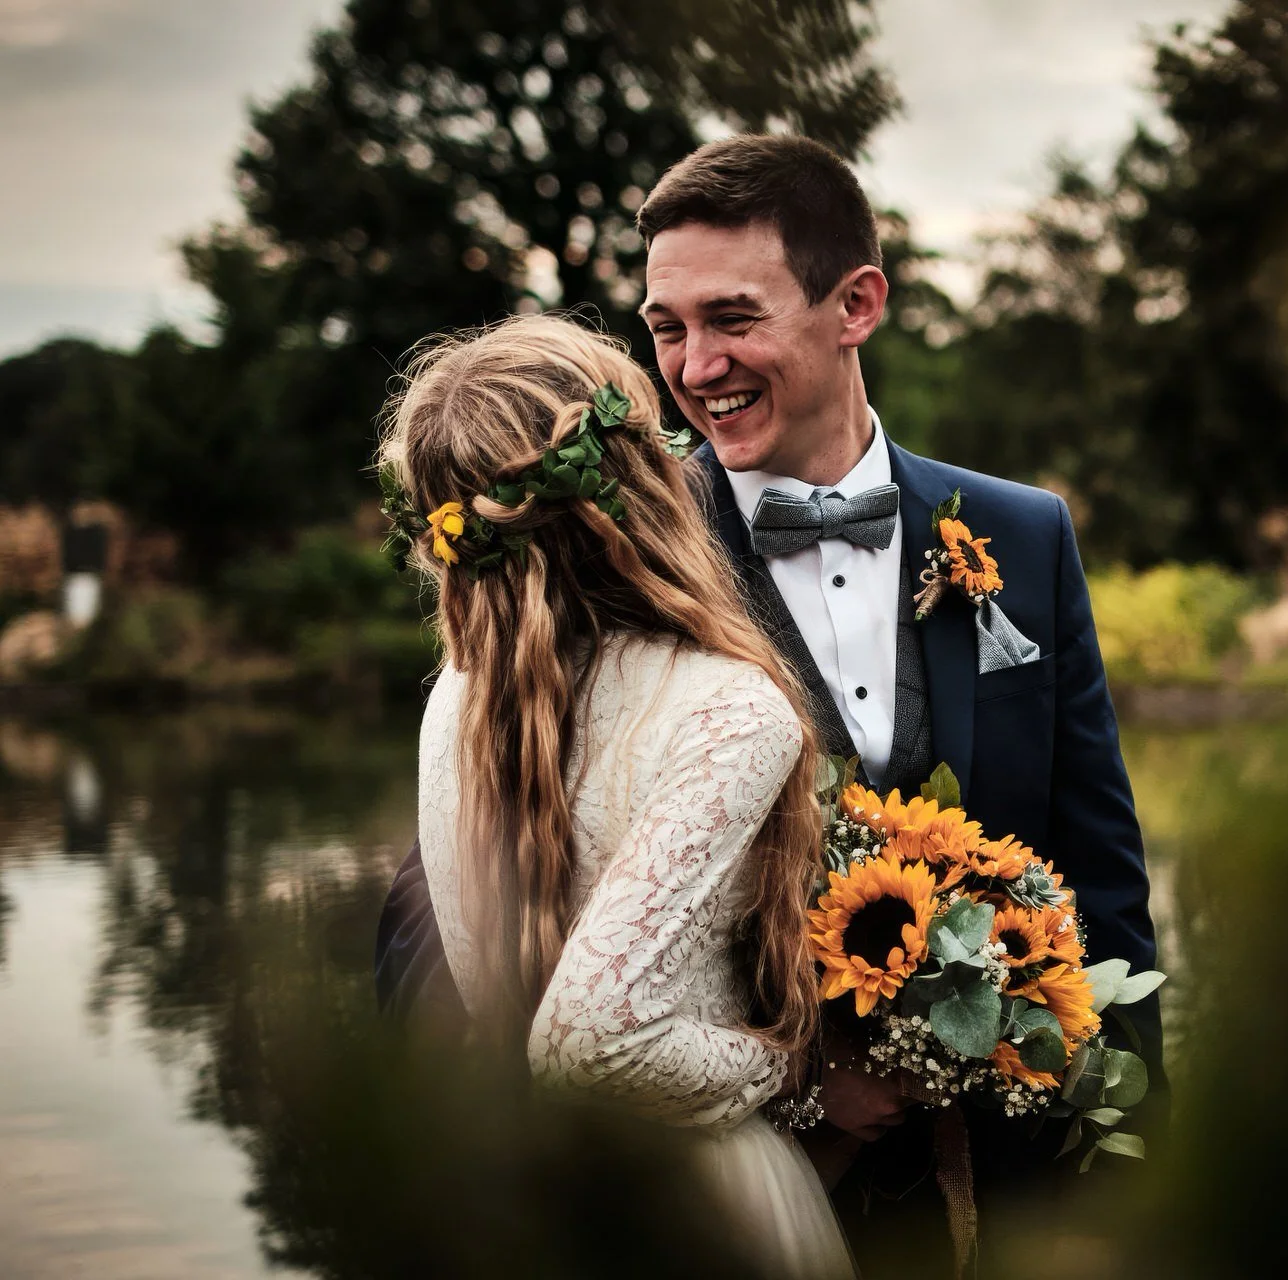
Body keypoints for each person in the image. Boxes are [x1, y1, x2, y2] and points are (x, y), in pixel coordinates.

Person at [375, 133, 1161, 1266]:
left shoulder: (1021, 532)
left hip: (1006, 1185)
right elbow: (441, 906)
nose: (694, 368)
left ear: (857, 303)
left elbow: (1104, 876)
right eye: (665, 327)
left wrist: (1134, 1167)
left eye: (732, 318)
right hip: (727, 1200)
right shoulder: (605, 546)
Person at [379, 314, 855, 1280]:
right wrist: (784, 1063)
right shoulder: (728, 709)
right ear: (639, 481)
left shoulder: (459, 698)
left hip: (533, 1197)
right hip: (697, 1203)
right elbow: (589, 1044)